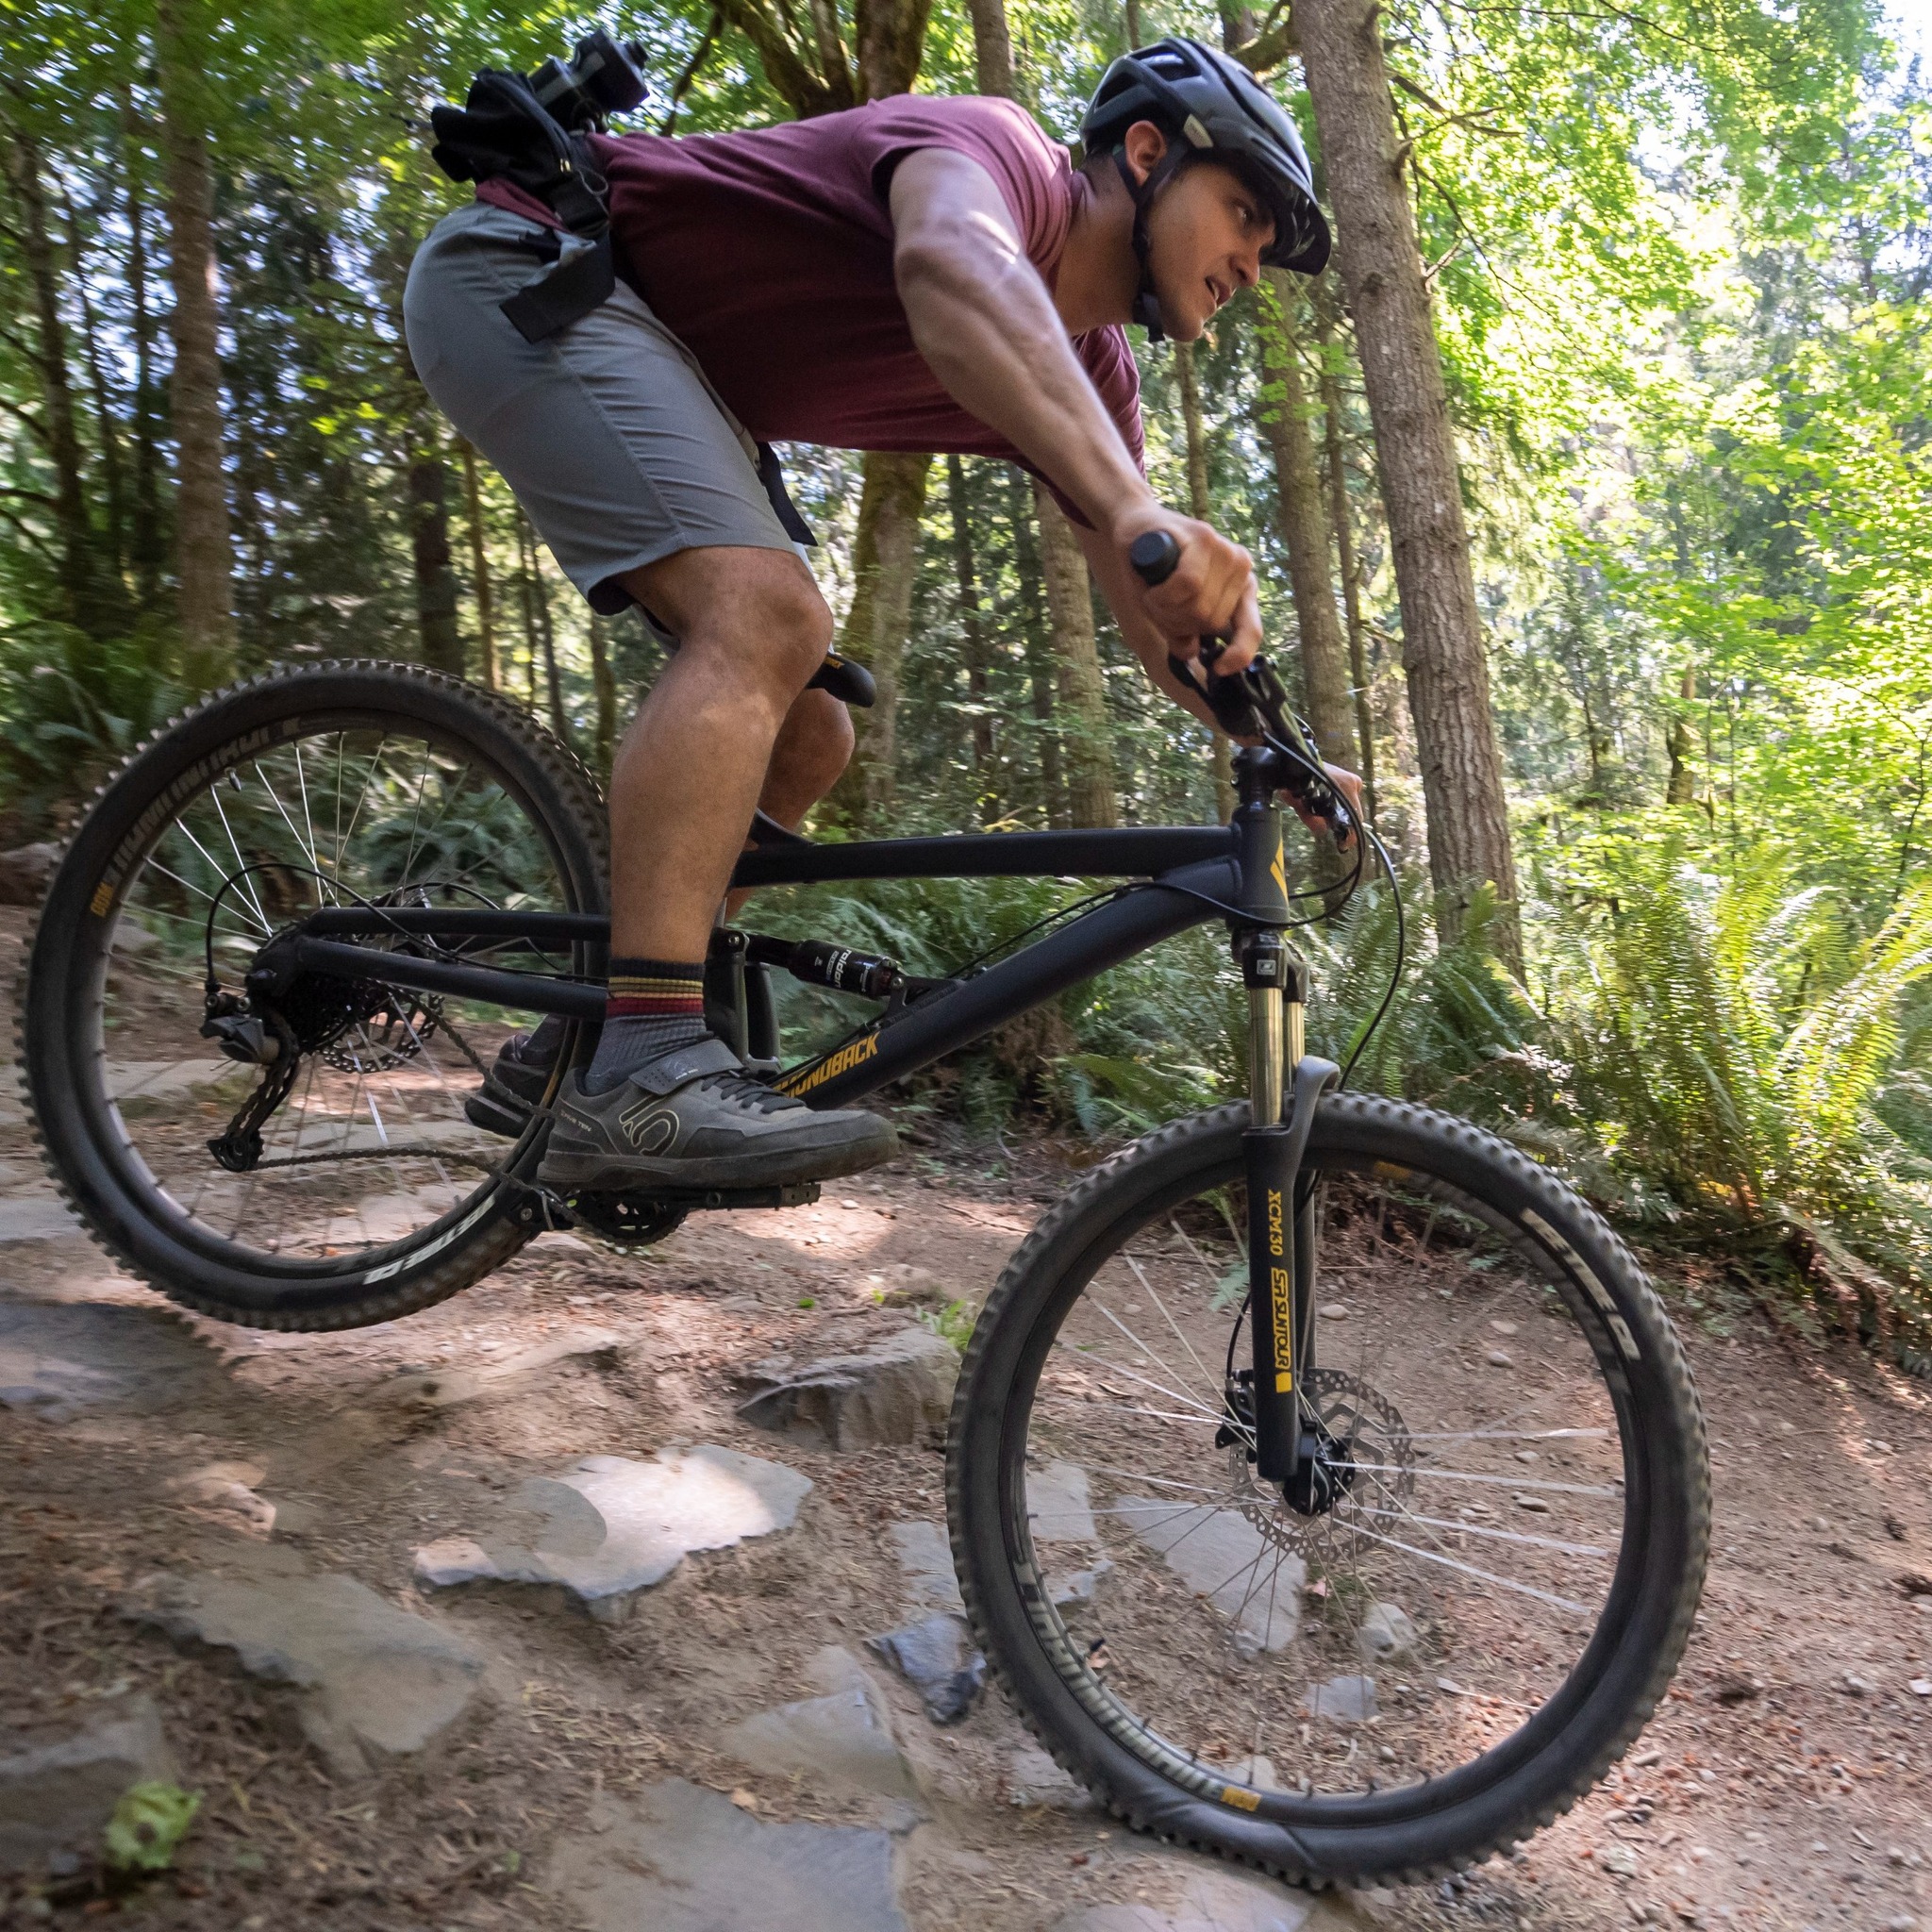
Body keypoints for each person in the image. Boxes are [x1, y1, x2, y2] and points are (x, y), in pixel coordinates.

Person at [403, 36, 1349, 1196]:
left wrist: (1279, 751)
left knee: (811, 734)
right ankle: (643, 1059)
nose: (1253, 261)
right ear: (1145, 154)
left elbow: (1152, 616)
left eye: (1266, 244)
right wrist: (1134, 508)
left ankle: (584, 1034)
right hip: (538, 270)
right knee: (766, 614)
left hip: (659, 359)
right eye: (1243, 214)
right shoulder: (995, 151)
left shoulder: (1097, 376)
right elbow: (953, 270)